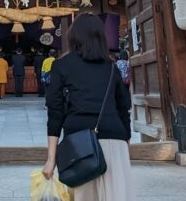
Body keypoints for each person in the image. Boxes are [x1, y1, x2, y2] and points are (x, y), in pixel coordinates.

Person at [44, 13, 133, 201]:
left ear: (73, 36)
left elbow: (55, 113)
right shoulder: (112, 67)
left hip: (79, 145)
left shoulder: (61, 65)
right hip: (114, 139)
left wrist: (51, 158)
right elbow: (124, 108)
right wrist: (126, 143)